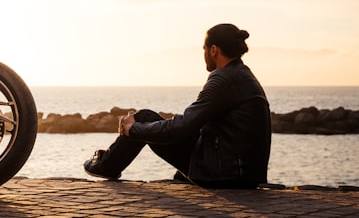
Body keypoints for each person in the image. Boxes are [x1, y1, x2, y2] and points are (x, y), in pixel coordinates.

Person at [83, 23, 271, 189]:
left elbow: (181, 128)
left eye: (204, 49)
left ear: (213, 50)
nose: (204, 54)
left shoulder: (223, 79)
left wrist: (133, 129)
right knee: (191, 133)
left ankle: (106, 166)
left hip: (223, 176)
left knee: (144, 118)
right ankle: (179, 176)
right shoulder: (243, 75)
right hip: (247, 175)